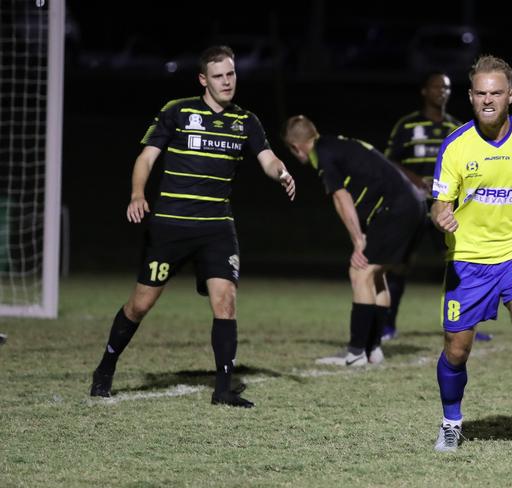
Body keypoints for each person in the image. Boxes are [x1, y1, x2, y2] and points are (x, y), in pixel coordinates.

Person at [89, 45, 295, 408]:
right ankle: (106, 367)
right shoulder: (178, 111)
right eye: (218, 76)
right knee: (140, 305)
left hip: (217, 228)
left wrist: (282, 173)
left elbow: (267, 159)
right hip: (170, 228)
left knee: (225, 301)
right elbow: (146, 157)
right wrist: (137, 194)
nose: (227, 82)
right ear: (203, 79)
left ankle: (223, 389)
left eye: (231, 74)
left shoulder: (245, 121)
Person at [430, 55, 512, 451]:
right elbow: (438, 204)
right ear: (470, 96)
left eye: (496, 93)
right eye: (481, 93)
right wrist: (441, 218)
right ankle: (452, 422)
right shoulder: (455, 146)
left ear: (511, 96)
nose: (488, 100)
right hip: (467, 259)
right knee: (456, 350)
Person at [283, 115, 426, 366]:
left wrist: (358, 239)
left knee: (360, 271)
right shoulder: (336, 144)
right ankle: (373, 349)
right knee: (376, 273)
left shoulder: (322, 154)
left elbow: (342, 198)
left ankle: (356, 352)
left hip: (396, 208)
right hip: (412, 204)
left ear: (295, 146)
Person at [384, 72, 491, 342]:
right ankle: (387, 325)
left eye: (445, 88)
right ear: (424, 91)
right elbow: (388, 162)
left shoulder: (457, 129)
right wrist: (416, 180)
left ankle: (465, 324)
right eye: (435, 87)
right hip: (411, 205)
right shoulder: (407, 126)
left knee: (459, 263)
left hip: (445, 208)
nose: (441, 92)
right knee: (400, 264)